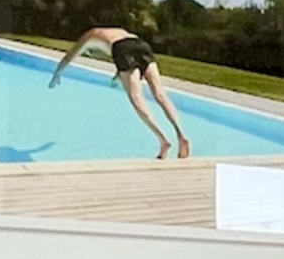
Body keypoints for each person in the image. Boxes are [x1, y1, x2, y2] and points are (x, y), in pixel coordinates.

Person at [48, 23, 195, 158]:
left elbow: (70, 56)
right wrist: (118, 74)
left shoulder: (91, 35)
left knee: (136, 97)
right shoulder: (118, 31)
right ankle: (181, 135)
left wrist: (57, 73)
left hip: (122, 48)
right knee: (160, 93)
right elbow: (127, 52)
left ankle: (163, 140)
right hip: (141, 44)